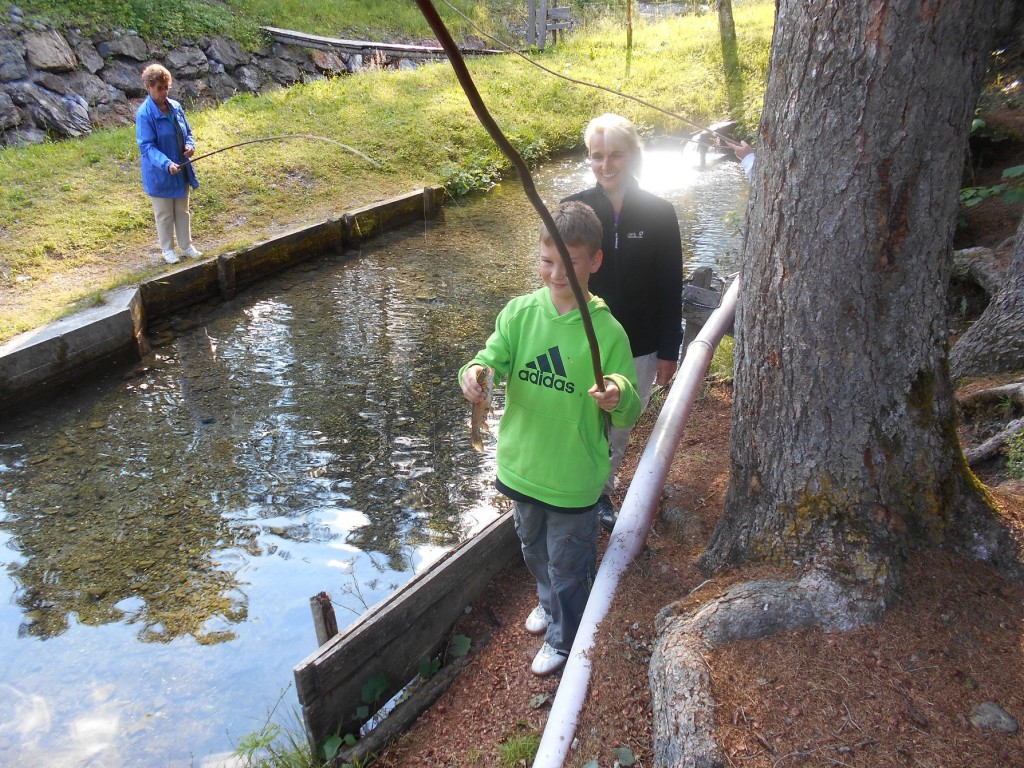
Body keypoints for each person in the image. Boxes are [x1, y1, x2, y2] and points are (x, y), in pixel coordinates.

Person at [460, 201, 641, 676]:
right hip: (522, 468)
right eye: (547, 261)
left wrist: (615, 393)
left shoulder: (607, 331)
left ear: (595, 262)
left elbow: (631, 402)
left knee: (569, 563)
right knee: (533, 549)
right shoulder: (519, 314)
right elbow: (490, 359)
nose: (557, 273)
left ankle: (565, 638)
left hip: (573, 479)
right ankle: (549, 603)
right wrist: (474, 373)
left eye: (570, 262)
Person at [562, 113, 684, 531]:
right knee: (579, 416)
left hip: (640, 344)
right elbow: (559, 277)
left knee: (619, 423)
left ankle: (601, 493)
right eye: (597, 156)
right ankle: (573, 487)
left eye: (615, 155)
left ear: (632, 157)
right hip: (584, 339)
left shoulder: (660, 212)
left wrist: (670, 348)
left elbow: (671, 285)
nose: (605, 165)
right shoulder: (574, 210)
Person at [136, 63, 202, 265]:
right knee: (164, 213)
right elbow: (147, 147)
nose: (164, 92)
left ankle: (186, 246)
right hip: (160, 173)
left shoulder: (176, 107)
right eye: (159, 88)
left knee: (182, 210)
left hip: (181, 169)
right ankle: (167, 249)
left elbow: (188, 133)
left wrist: (190, 147)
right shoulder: (145, 114)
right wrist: (166, 164)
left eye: (166, 88)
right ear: (149, 87)